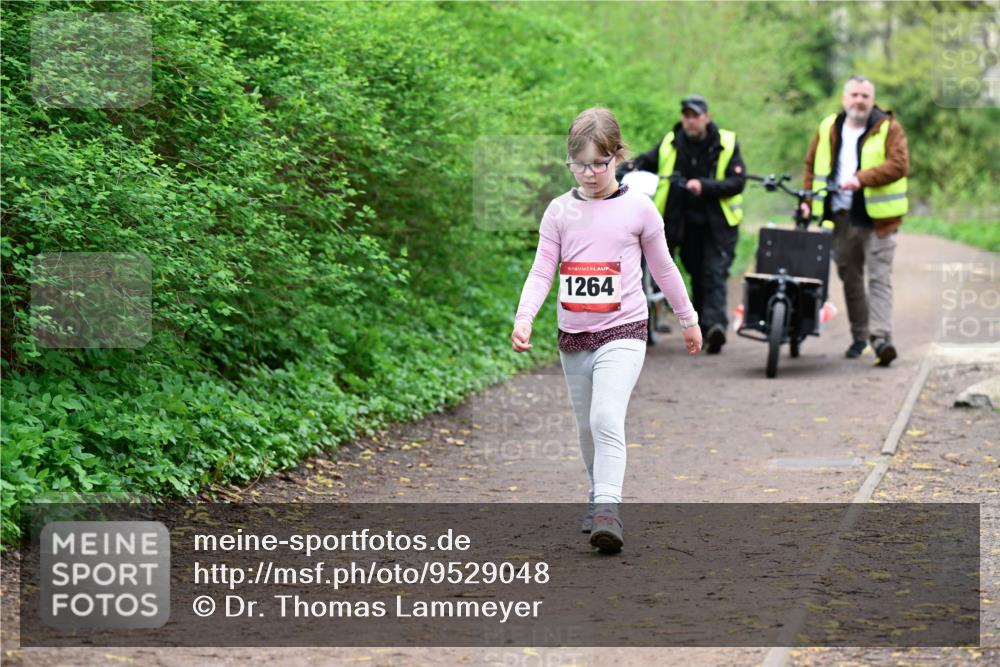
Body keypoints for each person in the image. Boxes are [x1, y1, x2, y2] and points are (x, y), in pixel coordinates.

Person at [511, 107, 701, 554]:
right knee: (585, 428)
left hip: (625, 329)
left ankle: (608, 510)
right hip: (573, 335)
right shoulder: (559, 211)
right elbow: (542, 271)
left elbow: (664, 268)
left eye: (599, 163)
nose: (589, 173)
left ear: (618, 156)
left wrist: (688, 319)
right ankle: (598, 493)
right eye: (579, 164)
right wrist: (524, 316)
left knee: (604, 416)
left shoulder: (639, 208)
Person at [618, 95, 747, 354]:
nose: (690, 120)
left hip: (717, 225)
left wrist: (704, 186)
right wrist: (622, 170)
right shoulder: (671, 142)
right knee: (697, 274)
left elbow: (737, 183)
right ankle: (703, 327)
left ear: (706, 117)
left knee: (714, 274)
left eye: (695, 115)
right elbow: (646, 161)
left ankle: (715, 327)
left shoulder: (727, 143)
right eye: (686, 115)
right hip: (682, 226)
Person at [801, 76, 909, 366]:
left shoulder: (888, 128)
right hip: (841, 218)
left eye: (865, 95)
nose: (859, 100)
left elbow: (900, 164)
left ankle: (881, 338)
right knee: (850, 279)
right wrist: (807, 200)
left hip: (879, 221)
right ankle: (860, 336)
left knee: (879, 279)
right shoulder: (828, 127)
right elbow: (811, 165)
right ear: (844, 97)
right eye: (854, 94)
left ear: (872, 100)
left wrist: (861, 179)